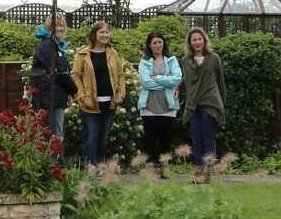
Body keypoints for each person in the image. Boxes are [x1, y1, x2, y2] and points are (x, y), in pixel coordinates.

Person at [72, 21, 126, 165]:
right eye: (101, 32)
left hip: (109, 103)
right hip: (90, 104)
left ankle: (101, 167)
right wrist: (82, 96)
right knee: (92, 135)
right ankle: (90, 167)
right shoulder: (83, 54)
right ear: (94, 34)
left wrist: (120, 93)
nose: (105, 35)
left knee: (104, 137)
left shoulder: (113, 53)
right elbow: (76, 76)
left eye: (107, 32)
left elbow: (120, 74)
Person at [180, 27, 226, 184]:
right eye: (194, 39)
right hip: (193, 105)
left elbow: (220, 82)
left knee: (208, 139)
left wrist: (222, 103)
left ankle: (207, 173)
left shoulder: (214, 58)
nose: (197, 42)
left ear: (204, 40)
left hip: (210, 104)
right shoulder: (185, 61)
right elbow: (184, 82)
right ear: (190, 43)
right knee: (196, 140)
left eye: (200, 39)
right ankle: (198, 172)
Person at [137, 32, 182, 179]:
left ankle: (164, 170)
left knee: (165, 141)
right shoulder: (144, 62)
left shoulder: (172, 60)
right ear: (149, 45)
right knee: (149, 141)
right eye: (154, 43)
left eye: (160, 42)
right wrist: (165, 82)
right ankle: (150, 170)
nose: (157, 45)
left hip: (167, 107)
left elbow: (177, 79)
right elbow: (146, 83)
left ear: (164, 43)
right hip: (149, 107)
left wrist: (157, 78)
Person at [30, 14, 78, 138]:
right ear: (50, 27)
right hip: (50, 98)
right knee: (55, 136)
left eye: (62, 25)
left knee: (55, 134)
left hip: (55, 97)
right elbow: (59, 71)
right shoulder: (47, 45)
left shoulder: (55, 45)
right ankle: (55, 158)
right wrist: (74, 90)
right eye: (56, 25)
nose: (60, 28)